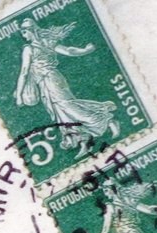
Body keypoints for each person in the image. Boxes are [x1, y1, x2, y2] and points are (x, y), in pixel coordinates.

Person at [13, 17, 119, 158]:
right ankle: (82, 141)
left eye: (24, 32)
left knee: (68, 107)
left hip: (50, 80)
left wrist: (19, 95)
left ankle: (106, 120)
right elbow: (69, 51)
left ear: (31, 31)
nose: (23, 35)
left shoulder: (29, 49)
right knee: (61, 114)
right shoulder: (48, 43)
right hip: (48, 83)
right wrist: (85, 50)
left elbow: (24, 72)